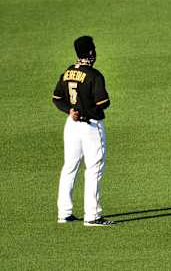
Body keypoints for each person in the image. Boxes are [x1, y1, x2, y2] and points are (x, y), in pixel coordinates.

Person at [52, 36, 115, 226]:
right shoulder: (95, 75)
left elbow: (57, 98)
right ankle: (93, 216)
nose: (95, 51)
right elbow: (103, 103)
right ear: (90, 52)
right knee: (94, 169)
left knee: (70, 166)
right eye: (93, 48)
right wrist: (87, 109)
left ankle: (64, 213)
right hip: (91, 126)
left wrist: (71, 110)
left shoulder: (67, 72)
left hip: (71, 124)